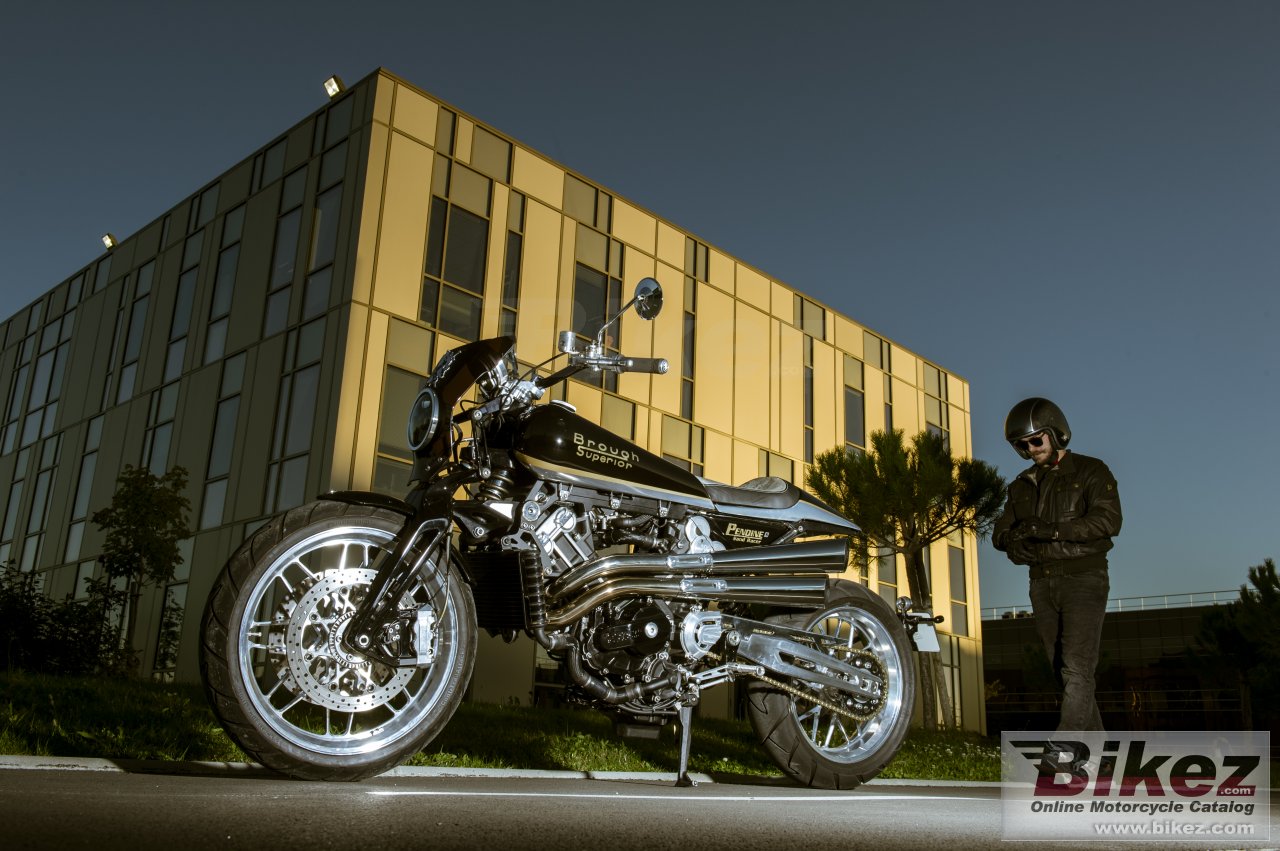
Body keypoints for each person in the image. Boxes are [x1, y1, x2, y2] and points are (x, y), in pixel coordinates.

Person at [993, 397, 1122, 733]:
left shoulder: (1091, 470)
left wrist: (1051, 531)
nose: (1032, 449)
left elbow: (1109, 521)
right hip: (1041, 583)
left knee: (1077, 668)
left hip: (1084, 578)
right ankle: (1099, 753)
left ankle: (1067, 748)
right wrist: (1014, 545)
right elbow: (1000, 531)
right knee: (1060, 670)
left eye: (1037, 440)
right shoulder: (1021, 485)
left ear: (1056, 432)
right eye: (1023, 445)